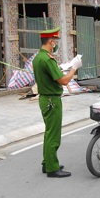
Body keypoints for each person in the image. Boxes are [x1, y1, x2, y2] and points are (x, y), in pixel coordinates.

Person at [32, 27, 82, 178]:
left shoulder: (38, 57)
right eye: (56, 41)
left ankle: (47, 163)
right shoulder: (47, 59)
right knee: (53, 135)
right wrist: (74, 67)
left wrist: (61, 68)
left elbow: (51, 74)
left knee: (48, 133)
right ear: (51, 41)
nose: (56, 44)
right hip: (51, 100)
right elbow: (64, 80)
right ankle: (52, 169)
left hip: (45, 99)